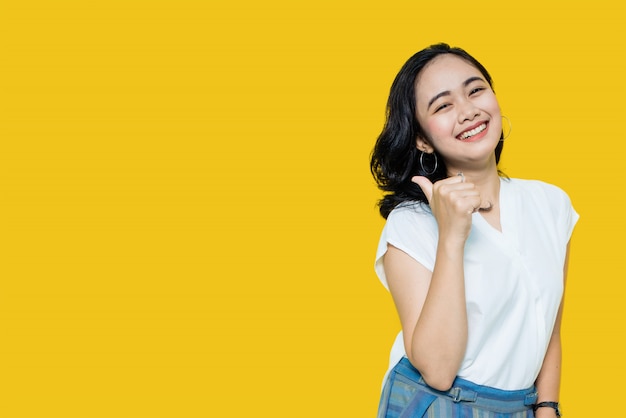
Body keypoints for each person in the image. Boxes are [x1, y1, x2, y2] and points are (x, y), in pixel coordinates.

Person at [370, 43, 578, 418]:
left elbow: (549, 327)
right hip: (436, 405)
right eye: (443, 105)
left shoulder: (551, 204)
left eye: (476, 89)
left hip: (521, 408)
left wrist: (547, 407)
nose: (468, 111)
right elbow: (436, 369)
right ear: (421, 139)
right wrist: (451, 237)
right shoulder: (412, 223)